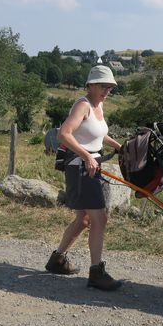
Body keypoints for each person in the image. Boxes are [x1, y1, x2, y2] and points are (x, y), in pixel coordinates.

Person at [45, 65, 123, 291]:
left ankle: (57, 260)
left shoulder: (99, 106)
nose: (106, 90)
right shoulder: (83, 105)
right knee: (100, 219)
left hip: (89, 167)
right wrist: (87, 155)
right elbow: (64, 134)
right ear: (90, 85)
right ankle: (96, 273)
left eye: (109, 87)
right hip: (81, 169)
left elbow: (97, 133)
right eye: (102, 86)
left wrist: (118, 146)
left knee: (84, 220)